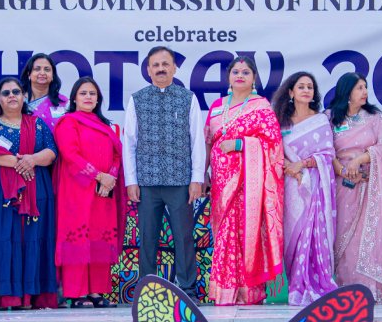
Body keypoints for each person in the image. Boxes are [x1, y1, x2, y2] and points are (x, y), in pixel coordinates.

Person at [0, 77, 59, 309]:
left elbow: (51, 151)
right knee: (0, 238)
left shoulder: (36, 123)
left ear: (24, 96)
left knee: (29, 239)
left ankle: (28, 296)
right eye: (6, 93)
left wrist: (33, 159)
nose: (12, 96)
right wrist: (23, 162)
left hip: (34, 191)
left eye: (16, 91)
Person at [123, 46, 206, 298]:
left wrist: (196, 178)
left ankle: (187, 289)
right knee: (147, 237)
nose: (160, 69)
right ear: (148, 70)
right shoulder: (137, 99)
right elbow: (130, 142)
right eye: (155, 65)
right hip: (147, 182)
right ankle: (147, 290)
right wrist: (131, 181)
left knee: (183, 237)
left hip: (180, 181)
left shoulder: (187, 98)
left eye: (165, 64)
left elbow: (197, 141)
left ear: (174, 68)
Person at [204, 55, 283, 305]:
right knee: (224, 233)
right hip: (220, 182)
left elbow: (273, 144)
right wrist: (204, 173)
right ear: (228, 77)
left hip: (249, 184)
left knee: (244, 232)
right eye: (235, 71)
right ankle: (225, 290)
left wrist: (239, 144)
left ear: (254, 78)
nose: (240, 75)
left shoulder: (261, 106)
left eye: (246, 72)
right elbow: (208, 142)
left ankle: (247, 291)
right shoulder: (217, 106)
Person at [54, 77, 124, 308]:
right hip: (77, 191)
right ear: (74, 98)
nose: (88, 97)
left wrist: (110, 177)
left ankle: (96, 292)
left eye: (92, 94)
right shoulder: (68, 122)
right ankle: (77, 293)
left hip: (103, 193)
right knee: (78, 239)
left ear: (98, 99)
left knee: (99, 239)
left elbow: (117, 155)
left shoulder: (105, 125)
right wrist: (99, 176)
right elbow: (70, 154)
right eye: (83, 93)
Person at [272, 71, 337, 306]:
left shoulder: (320, 120)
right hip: (289, 186)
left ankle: (316, 286)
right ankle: (296, 288)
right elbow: (272, 151)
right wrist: (288, 167)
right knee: (294, 236)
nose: (306, 90)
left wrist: (302, 165)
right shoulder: (281, 122)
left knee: (312, 235)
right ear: (291, 92)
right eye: (301, 87)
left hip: (315, 186)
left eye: (310, 87)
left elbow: (328, 154)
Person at [329, 72, 382, 304]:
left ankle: (369, 294)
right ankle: (345, 295)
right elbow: (324, 149)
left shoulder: (375, 118)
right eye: (359, 88)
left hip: (369, 186)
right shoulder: (329, 118)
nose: (365, 92)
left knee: (367, 238)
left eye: (365, 87)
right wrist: (342, 170)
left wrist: (360, 160)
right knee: (343, 241)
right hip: (341, 187)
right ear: (346, 92)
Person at [21, 53, 68, 131]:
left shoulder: (63, 103)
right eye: (37, 69)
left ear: (53, 75)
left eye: (47, 69)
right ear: (29, 74)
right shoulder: (19, 100)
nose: (42, 73)